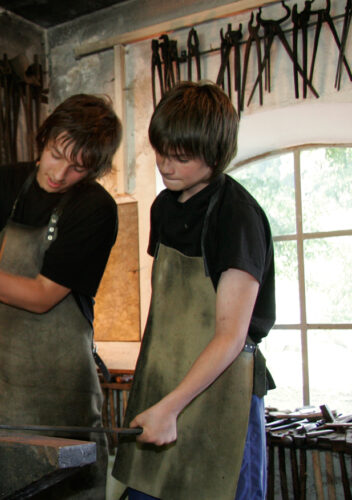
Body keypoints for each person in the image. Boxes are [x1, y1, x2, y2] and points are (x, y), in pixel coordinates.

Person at [0, 93, 122, 498]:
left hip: (60, 391)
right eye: (56, 155)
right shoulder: (5, 182)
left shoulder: (95, 208)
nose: (59, 173)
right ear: (45, 138)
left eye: (78, 168)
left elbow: (42, 296)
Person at [111, 81, 275, 500]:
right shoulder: (165, 206)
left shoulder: (237, 215)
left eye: (181, 157)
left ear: (215, 154)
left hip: (222, 393)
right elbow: (165, 312)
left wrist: (171, 406)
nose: (166, 165)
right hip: (167, 383)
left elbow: (231, 336)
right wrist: (153, 395)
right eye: (162, 151)